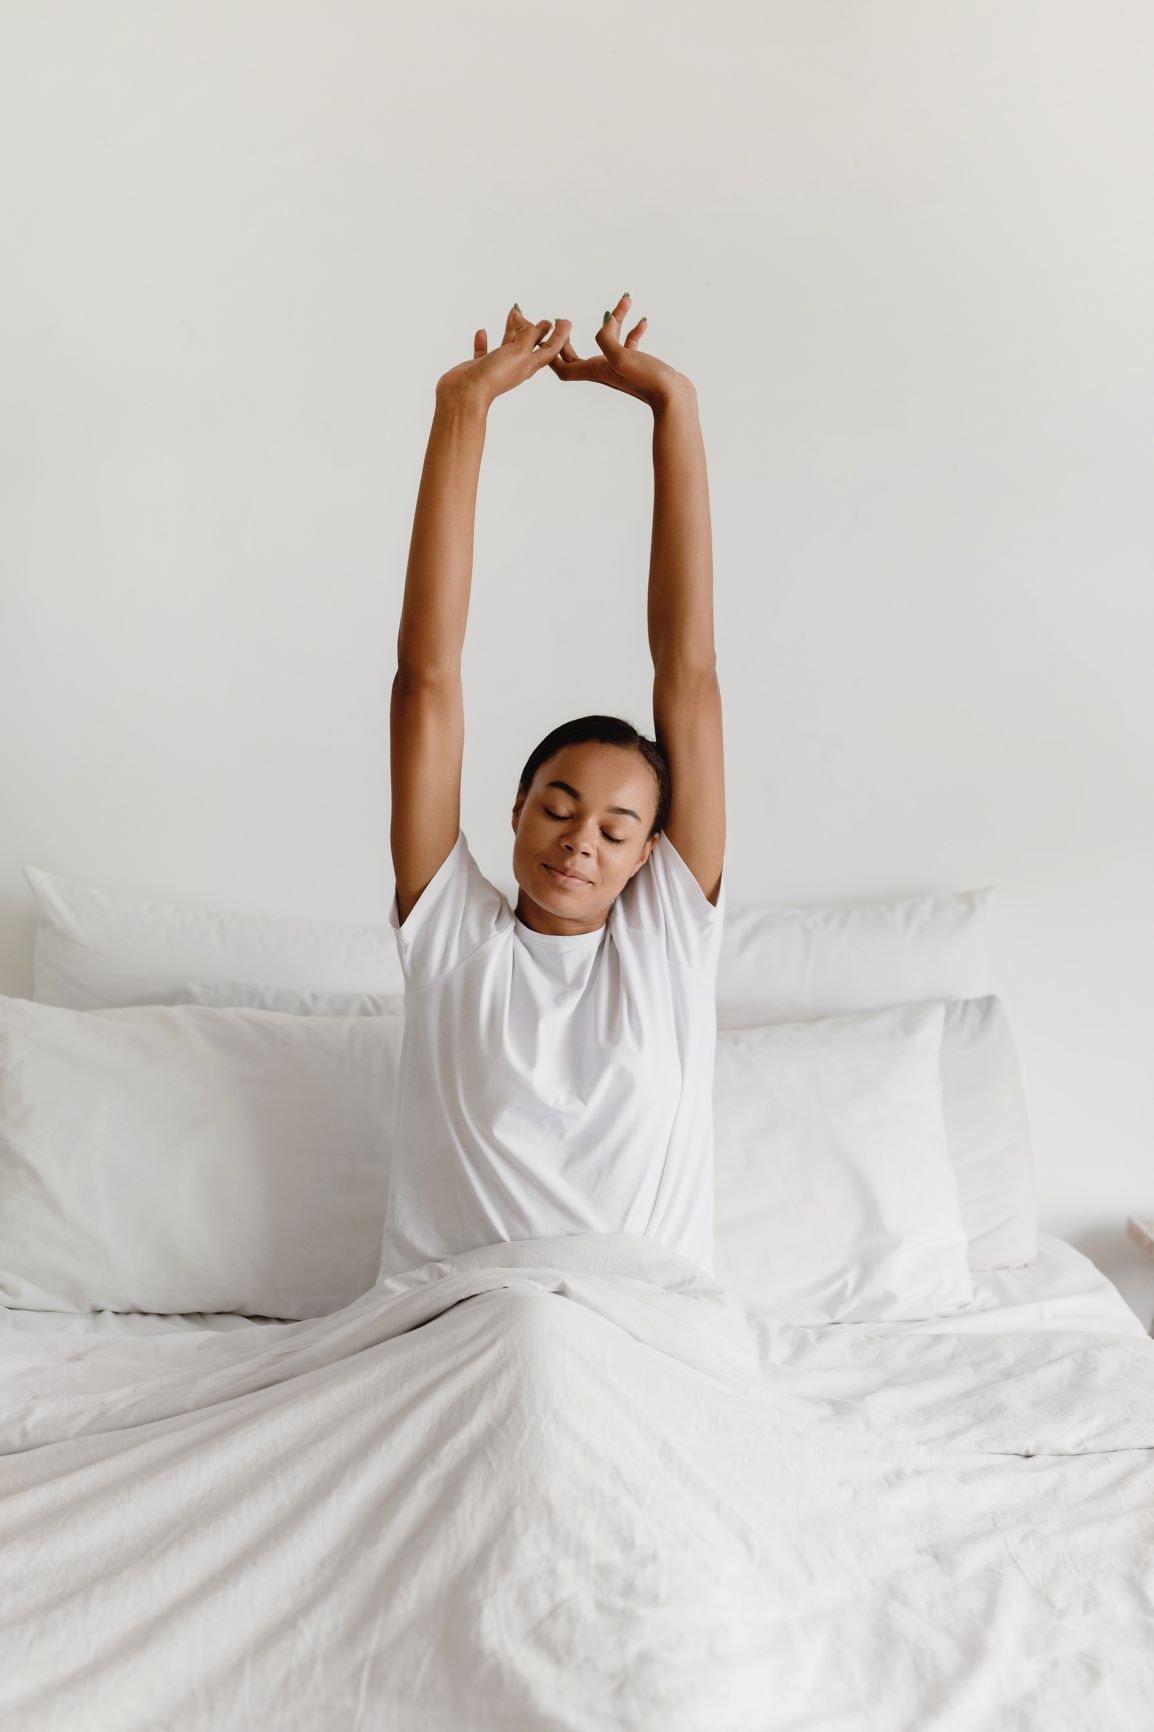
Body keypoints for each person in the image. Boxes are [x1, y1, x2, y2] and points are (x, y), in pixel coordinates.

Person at [380, 294, 726, 1281]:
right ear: (518, 809)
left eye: (618, 829)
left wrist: (674, 409)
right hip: (465, 1325)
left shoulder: (666, 939)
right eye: (560, 806)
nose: (580, 840)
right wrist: (462, 410)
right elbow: (425, 682)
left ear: (652, 854)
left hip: (640, 1334)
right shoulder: (453, 940)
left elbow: (688, 676)